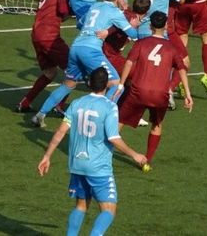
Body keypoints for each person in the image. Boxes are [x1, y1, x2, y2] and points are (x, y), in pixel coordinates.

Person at [37, 67, 147, 236]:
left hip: (77, 165)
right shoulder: (110, 107)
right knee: (108, 210)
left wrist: (47, 156)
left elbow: (60, 132)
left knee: (81, 205)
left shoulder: (76, 104)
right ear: (107, 85)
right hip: (98, 167)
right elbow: (113, 138)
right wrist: (135, 155)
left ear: (88, 83)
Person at [32, 0, 138, 128]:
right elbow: (132, 33)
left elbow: (80, 24)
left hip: (76, 47)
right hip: (91, 50)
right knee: (115, 83)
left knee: (68, 84)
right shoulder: (115, 12)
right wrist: (132, 27)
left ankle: (40, 114)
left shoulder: (94, 6)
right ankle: (100, 120)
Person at [118, 11, 193, 171]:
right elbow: (182, 69)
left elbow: (129, 62)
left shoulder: (141, 43)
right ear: (166, 25)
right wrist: (187, 94)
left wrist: (121, 84)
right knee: (157, 125)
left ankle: (105, 148)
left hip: (138, 91)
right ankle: (147, 160)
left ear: (150, 25)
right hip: (160, 94)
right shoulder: (171, 48)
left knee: (119, 121)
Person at [16, 0, 72, 112]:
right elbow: (63, 11)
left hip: (36, 35)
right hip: (49, 36)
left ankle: (25, 102)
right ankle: (59, 105)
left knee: (50, 72)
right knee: (74, 69)